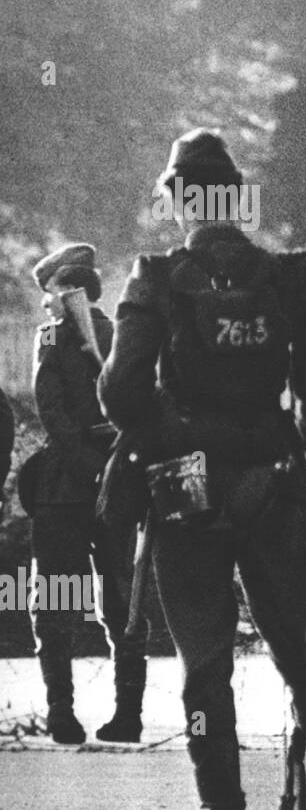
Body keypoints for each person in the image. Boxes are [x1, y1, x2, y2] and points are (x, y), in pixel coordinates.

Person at [99, 129, 306, 810]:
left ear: (178, 200)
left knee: (205, 662)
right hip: (275, 486)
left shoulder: (156, 279)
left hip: (188, 494)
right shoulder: (286, 278)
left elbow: (121, 394)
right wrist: (289, 448)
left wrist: (177, 437)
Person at [27, 244, 145, 745]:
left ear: (64, 289)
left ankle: (62, 715)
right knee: (123, 599)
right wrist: (110, 470)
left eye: (50, 294)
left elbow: (52, 413)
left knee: (55, 598)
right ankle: (128, 716)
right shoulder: (120, 335)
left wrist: (87, 466)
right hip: (115, 484)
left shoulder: (51, 336)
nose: (47, 305)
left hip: (64, 491)